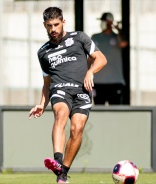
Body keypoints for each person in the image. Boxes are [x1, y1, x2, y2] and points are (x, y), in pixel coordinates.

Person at [28, 7, 107, 183]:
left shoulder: (79, 38)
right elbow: (47, 84)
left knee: (76, 129)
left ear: (63, 22)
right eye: (49, 26)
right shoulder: (43, 52)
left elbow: (101, 59)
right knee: (61, 114)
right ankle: (57, 162)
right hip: (60, 90)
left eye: (56, 24)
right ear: (44, 26)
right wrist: (42, 103)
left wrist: (90, 72)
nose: (53, 29)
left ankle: (63, 172)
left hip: (82, 91)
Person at [89, 12, 128, 105]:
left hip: (115, 81)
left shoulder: (116, 37)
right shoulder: (95, 37)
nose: (102, 23)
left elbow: (123, 44)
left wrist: (118, 30)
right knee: (100, 109)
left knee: (115, 110)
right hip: (98, 81)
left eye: (104, 21)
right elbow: (90, 57)